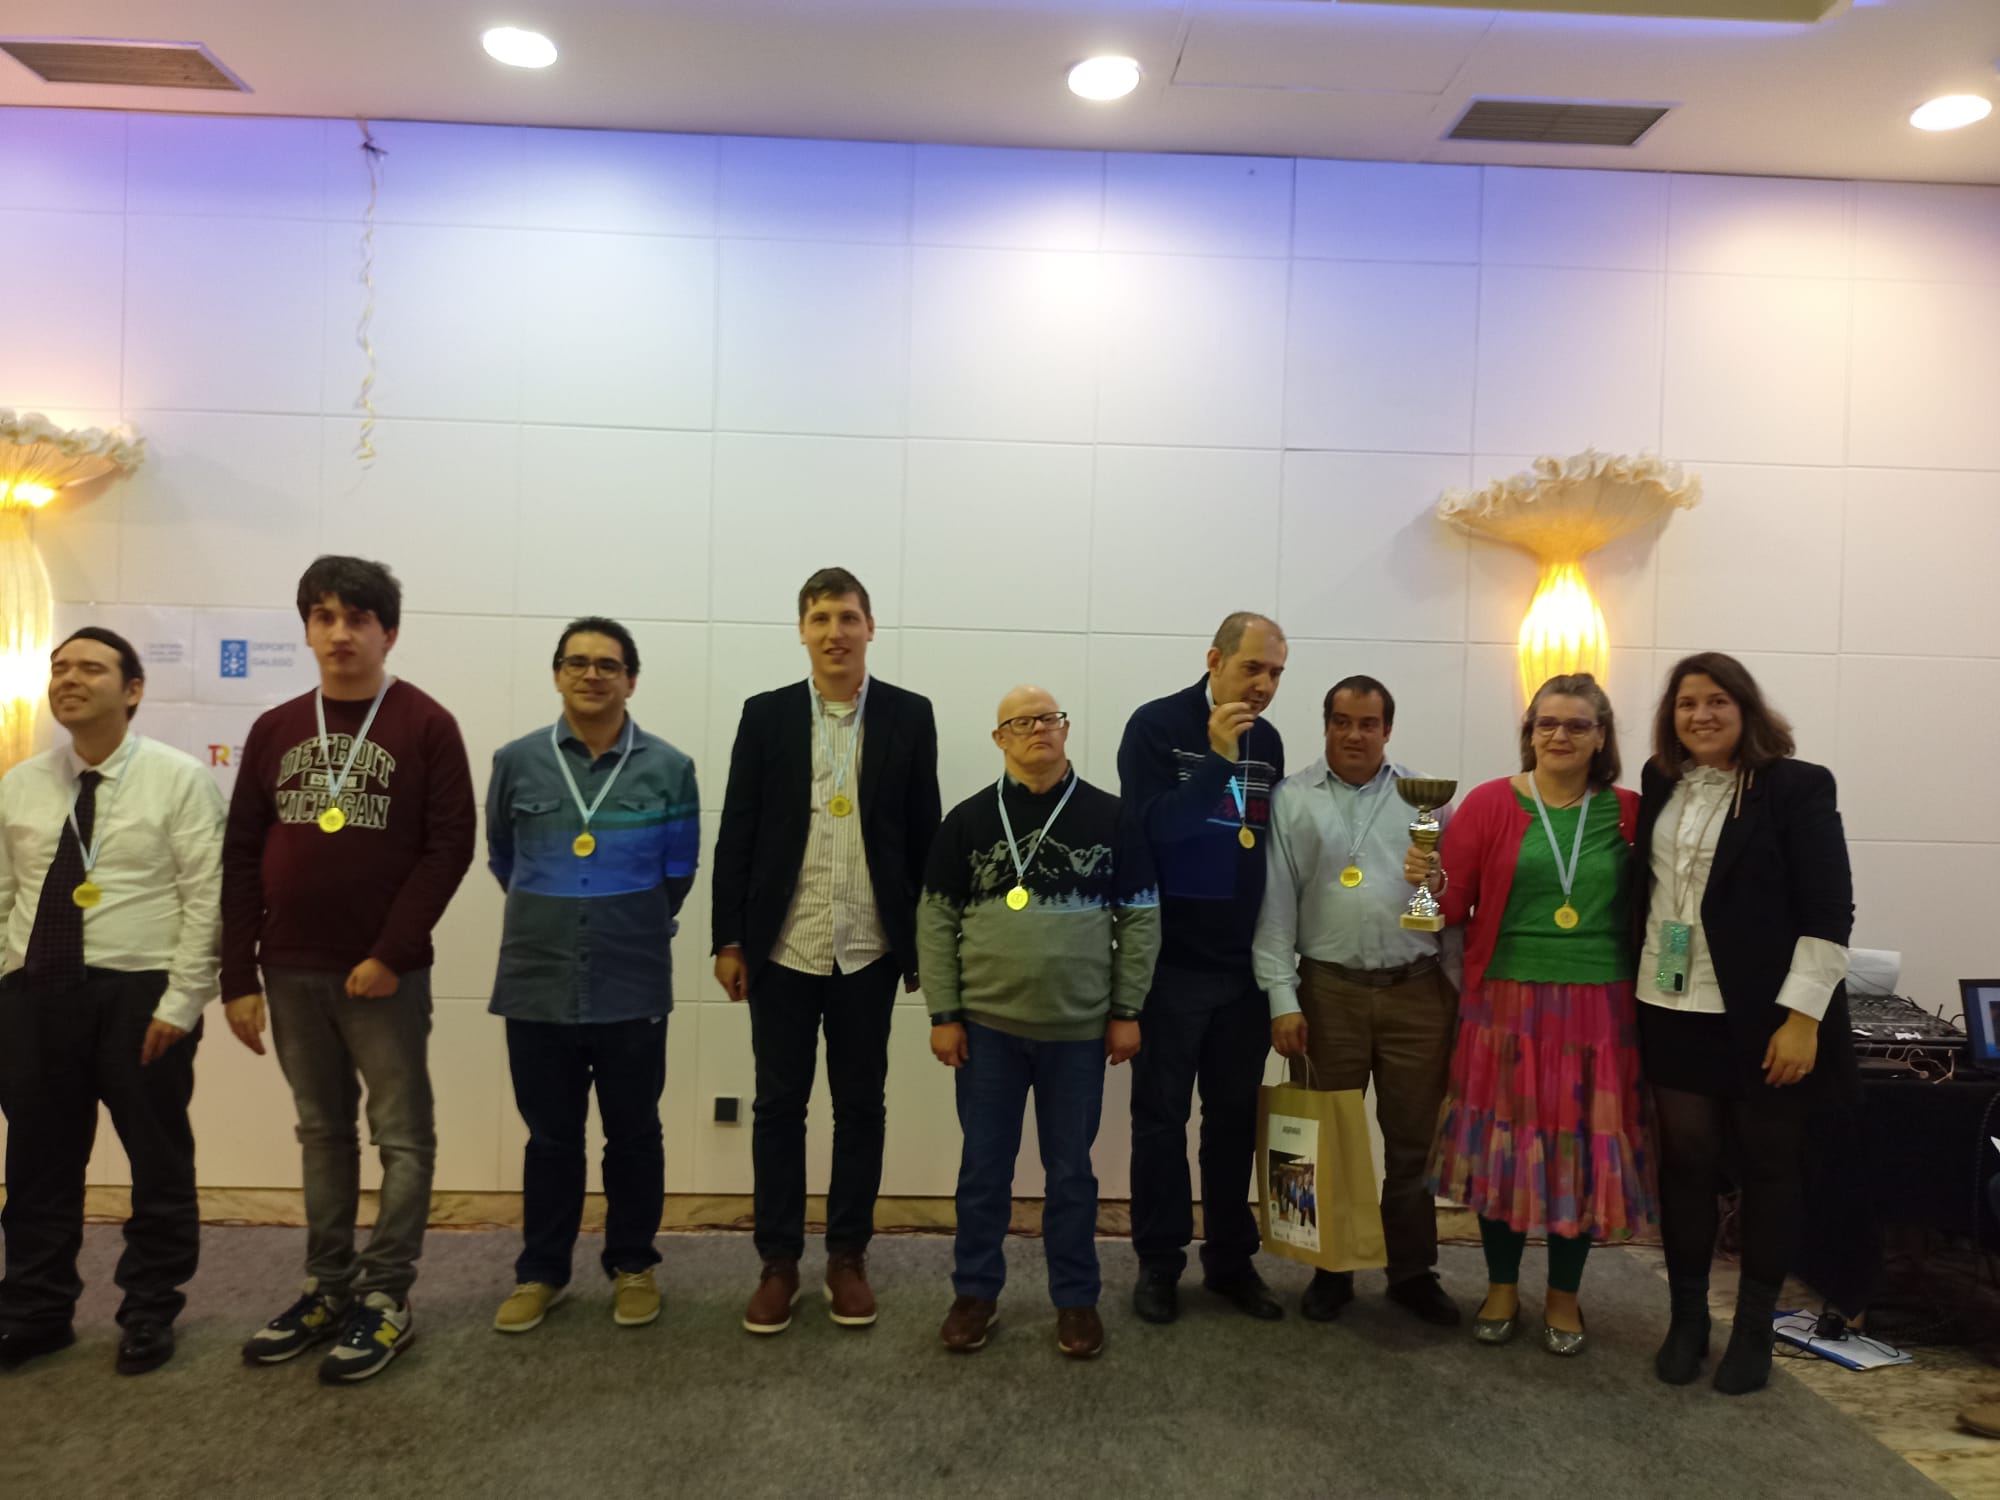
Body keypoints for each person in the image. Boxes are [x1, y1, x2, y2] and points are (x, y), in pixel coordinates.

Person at [223, 556, 476, 1383]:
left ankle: (386, 1298)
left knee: (401, 1137)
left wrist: (390, 952)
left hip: (383, 976)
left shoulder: (426, 724)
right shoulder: (276, 728)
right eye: (324, 616)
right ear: (307, 629)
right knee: (322, 1134)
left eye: (357, 618)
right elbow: (241, 853)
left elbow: (449, 848)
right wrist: (237, 977)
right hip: (289, 969)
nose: (340, 633)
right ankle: (326, 1289)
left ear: (387, 633)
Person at [712, 567, 940, 1335]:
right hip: (784, 943)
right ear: (802, 631)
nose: (835, 632)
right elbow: (738, 830)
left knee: (861, 1105)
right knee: (778, 1107)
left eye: (847, 617)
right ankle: (778, 1262)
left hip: (868, 947)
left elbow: (925, 833)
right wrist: (729, 937)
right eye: (820, 618)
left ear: (870, 627)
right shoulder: (767, 715)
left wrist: (925, 945)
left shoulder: (910, 715)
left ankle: (847, 1256)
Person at [1404, 673, 1654, 1356]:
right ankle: (1502, 1286)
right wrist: (1426, 879)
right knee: (1505, 1151)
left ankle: (1565, 1295)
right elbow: (1449, 906)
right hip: (1505, 1004)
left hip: (1600, 1008)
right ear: (1530, 732)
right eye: (1547, 723)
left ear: (1601, 737)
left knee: (1580, 1154)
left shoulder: (1630, 812)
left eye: (1576, 725)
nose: (1559, 735)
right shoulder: (1490, 803)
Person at [0, 628, 225, 1375]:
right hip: (36, 995)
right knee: (37, 1165)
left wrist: (183, 1002)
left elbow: (208, 898)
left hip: (140, 997)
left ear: (132, 691)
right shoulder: (21, 783)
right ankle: (35, 1313)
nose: (69, 679)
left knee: (157, 1162)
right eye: (59, 667)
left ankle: (150, 1311)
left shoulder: (178, 779)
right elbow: (3, 895)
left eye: (90, 668)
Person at [1637, 652, 1854, 1395]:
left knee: (1768, 1168)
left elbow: (1829, 910)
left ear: (1745, 709)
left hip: (1765, 1014)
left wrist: (1803, 1019)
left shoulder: (1797, 786)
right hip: (1670, 1000)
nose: (1701, 715)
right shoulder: (1660, 780)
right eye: (1687, 703)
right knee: (1686, 1164)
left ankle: (1754, 1329)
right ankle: (1687, 1320)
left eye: (1717, 701)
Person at [920, 687, 1159, 1358]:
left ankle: (1076, 1300)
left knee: (1072, 1175)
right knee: (983, 1171)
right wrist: (944, 1013)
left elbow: (1141, 918)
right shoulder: (967, 820)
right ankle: (975, 1293)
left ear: (1066, 730)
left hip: (1078, 1032)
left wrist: (1127, 1010)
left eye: (1049, 719)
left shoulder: (1112, 817)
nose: (1038, 730)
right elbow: (934, 920)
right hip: (986, 1031)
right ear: (1000, 739)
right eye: (1021, 722)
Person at [485, 618, 700, 1335]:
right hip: (537, 980)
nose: (591, 675)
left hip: (631, 980)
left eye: (608, 665)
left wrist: (619, 918)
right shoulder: (516, 761)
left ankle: (633, 1264)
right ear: (557, 674)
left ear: (630, 680)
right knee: (550, 1139)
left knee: (634, 1135)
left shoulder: (670, 767)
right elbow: (504, 858)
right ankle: (541, 1272)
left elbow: (679, 871)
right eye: (576, 662)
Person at [1256, 675, 1460, 1326]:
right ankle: (1331, 1270)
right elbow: (1275, 905)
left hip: (1416, 993)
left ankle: (1412, 1273)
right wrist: (1282, 998)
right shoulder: (1292, 799)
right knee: (1323, 1141)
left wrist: (1441, 888)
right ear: (1326, 725)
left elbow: (1453, 904)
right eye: (1341, 721)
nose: (1353, 734)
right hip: (1328, 993)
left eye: (1368, 723)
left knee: (1413, 1144)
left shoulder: (1425, 799)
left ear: (1387, 730)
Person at [1121, 612, 1288, 1325]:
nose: (1265, 685)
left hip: (1242, 969)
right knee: (1161, 1123)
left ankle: (1229, 1261)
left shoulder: (1269, 741)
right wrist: (1218, 757)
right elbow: (1154, 830)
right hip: (1172, 967)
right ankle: (1160, 1263)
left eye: (1276, 673)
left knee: (1231, 1122)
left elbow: (1264, 846)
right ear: (1215, 660)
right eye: (1253, 668)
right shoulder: (1155, 727)